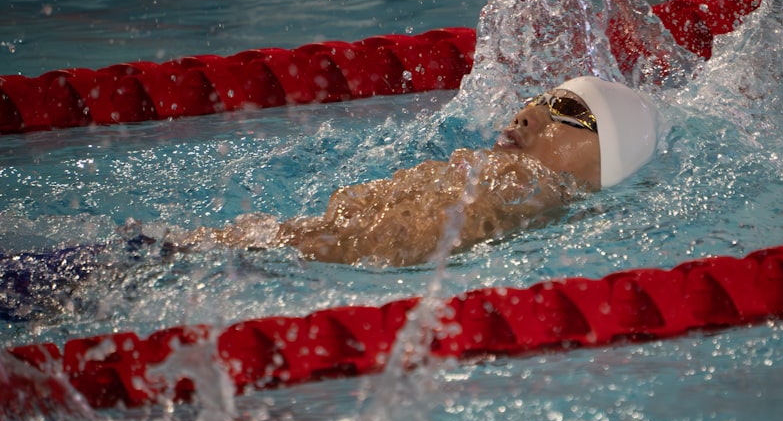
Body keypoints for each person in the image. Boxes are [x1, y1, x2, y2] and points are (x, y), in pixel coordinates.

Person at [175, 76, 658, 266]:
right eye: (536, 100)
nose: (526, 114)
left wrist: (220, 252)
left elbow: (383, 244)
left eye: (565, 109)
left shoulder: (523, 186)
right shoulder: (495, 179)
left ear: (605, 161)